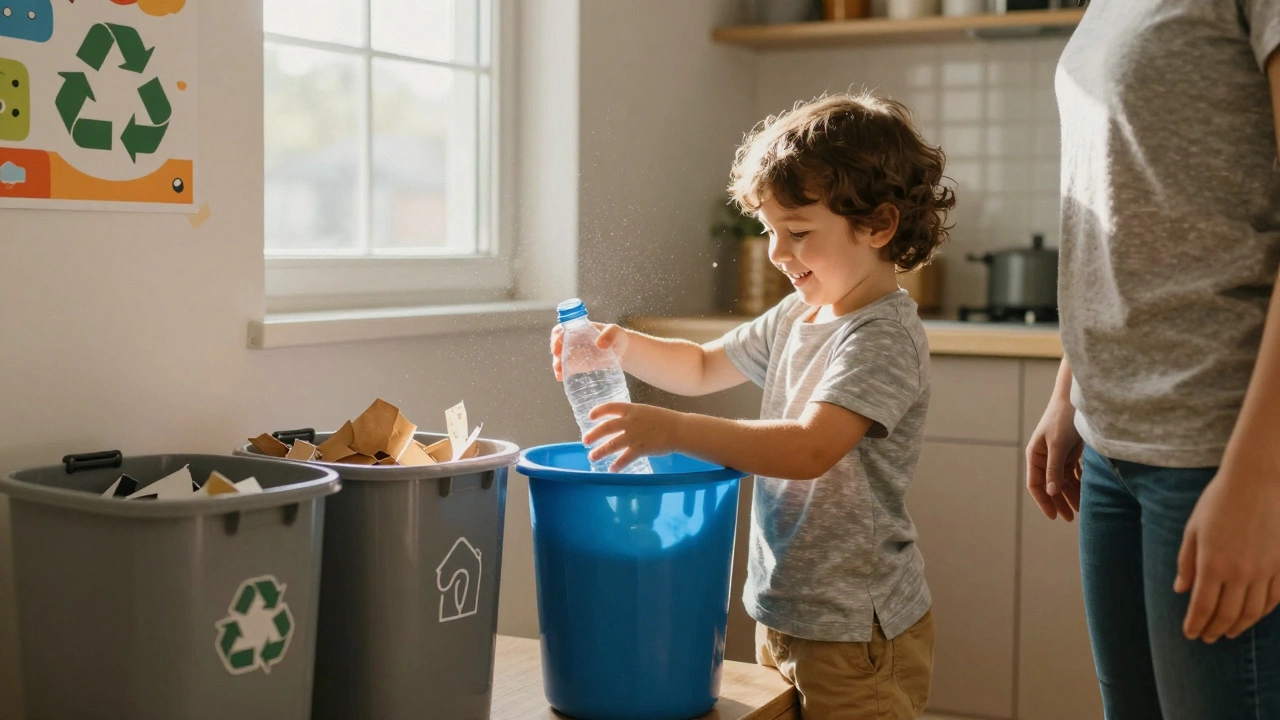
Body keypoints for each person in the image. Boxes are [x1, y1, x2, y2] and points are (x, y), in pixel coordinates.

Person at [550, 93, 955, 719]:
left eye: (797, 232)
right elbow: (703, 365)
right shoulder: (800, 313)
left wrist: (673, 431)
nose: (775, 252)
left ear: (879, 225)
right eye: (770, 231)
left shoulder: (881, 337)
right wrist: (619, 345)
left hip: (856, 628)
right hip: (787, 609)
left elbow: (809, 448)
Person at [1025, 1, 1280, 717]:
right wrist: (1067, 390)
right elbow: (1119, 200)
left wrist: (1262, 483)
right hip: (1110, 443)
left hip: (1219, 445)